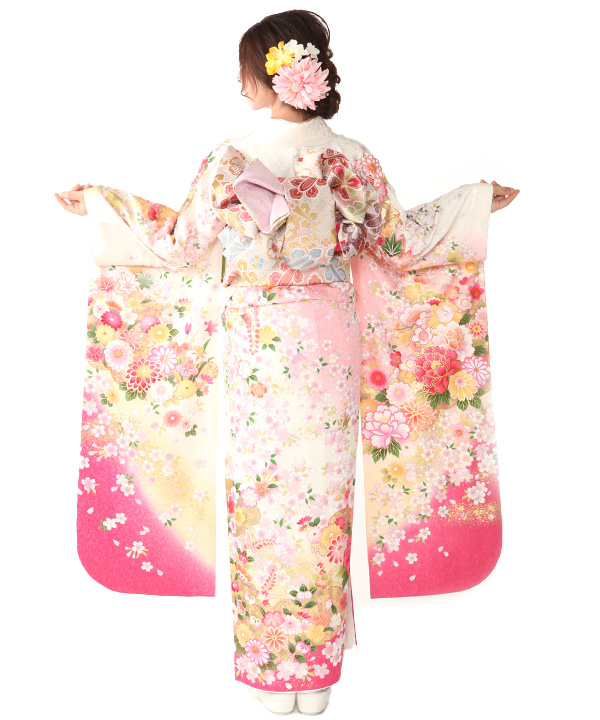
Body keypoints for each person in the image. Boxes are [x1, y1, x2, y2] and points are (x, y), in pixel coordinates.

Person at [55, 9, 518, 717]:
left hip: (258, 349)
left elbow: (179, 245)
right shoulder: (350, 158)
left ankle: (273, 668)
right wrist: (474, 204)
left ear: (269, 76)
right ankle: (316, 671)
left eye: (244, 70)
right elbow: (401, 245)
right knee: (320, 498)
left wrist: (101, 205)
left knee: (264, 496)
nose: (239, 83)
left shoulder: (229, 160)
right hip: (329, 346)